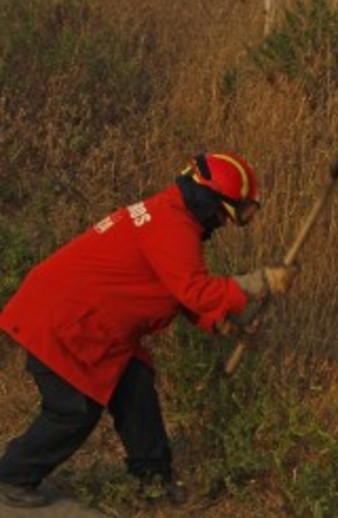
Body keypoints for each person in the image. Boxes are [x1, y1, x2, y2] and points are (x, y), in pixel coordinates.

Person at [0, 152, 291, 509]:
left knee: (136, 388)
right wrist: (258, 282)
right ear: (208, 200)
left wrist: (218, 321)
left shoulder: (170, 215)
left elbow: (174, 289)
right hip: (64, 321)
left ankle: (153, 480)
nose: (220, 224)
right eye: (221, 215)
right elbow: (195, 291)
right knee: (72, 411)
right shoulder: (172, 226)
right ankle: (13, 475)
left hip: (92, 323)